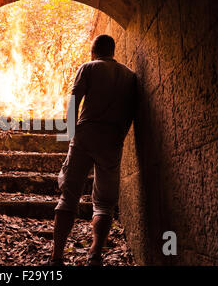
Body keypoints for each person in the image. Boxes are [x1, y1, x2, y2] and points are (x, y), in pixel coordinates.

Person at [48, 34, 137, 266]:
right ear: (113, 51)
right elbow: (131, 111)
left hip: (86, 134)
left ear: (93, 51)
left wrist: (69, 135)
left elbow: (74, 101)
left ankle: (57, 256)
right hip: (112, 138)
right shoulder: (130, 76)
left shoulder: (88, 67)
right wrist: (119, 136)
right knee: (105, 203)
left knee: (69, 197)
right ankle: (95, 254)